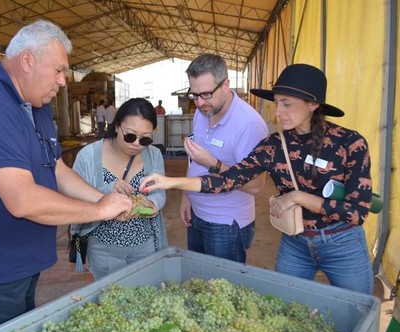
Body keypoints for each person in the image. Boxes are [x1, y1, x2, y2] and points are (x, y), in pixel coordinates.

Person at [0, 20, 132, 332]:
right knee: (8, 330)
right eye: (59, 70)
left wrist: (105, 200)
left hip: (18, 259)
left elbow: (58, 170)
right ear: (27, 61)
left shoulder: (32, 105)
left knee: (24, 325)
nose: (63, 81)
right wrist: (99, 211)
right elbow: (22, 200)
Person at [140, 63, 374, 295]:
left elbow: (357, 212)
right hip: (296, 241)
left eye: (287, 104)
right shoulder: (274, 145)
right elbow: (228, 179)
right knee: (282, 308)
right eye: (277, 103)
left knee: (358, 309)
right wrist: (172, 182)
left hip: (342, 243)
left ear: (313, 104)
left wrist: (298, 197)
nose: (278, 112)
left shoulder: (349, 144)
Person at [180, 53, 268, 263]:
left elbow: (256, 186)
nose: (200, 102)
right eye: (194, 95)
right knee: (199, 282)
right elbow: (194, 160)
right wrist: (186, 195)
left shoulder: (249, 125)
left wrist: (213, 163)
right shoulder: (203, 112)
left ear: (226, 84)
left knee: (223, 289)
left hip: (226, 225)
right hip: (197, 214)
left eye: (206, 94)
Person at [71, 97, 167, 279]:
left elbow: (159, 192)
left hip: (144, 245)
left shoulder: (153, 155)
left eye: (145, 139)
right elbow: (76, 198)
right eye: (130, 136)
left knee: (145, 293)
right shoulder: (88, 156)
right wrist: (108, 189)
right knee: (111, 296)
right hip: (104, 248)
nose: (136, 144)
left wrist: (152, 205)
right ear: (116, 126)